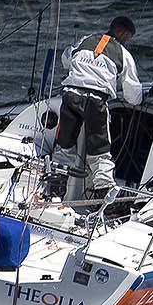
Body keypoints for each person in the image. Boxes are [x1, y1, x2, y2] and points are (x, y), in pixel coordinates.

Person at [55, 16, 141, 198]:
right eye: (128, 37)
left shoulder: (85, 40)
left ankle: (56, 183)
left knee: (64, 145)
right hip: (95, 101)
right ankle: (103, 191)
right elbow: (133, 95)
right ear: (124, 33)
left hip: (71, 95)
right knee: (99, 150)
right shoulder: (123, 53)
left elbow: (65, 60)